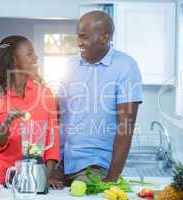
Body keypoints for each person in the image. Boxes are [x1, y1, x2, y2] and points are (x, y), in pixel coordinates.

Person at [57, 11, 142, 184]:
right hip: (60, 164)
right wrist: (52, 165)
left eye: (84, 37)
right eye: (78, 37)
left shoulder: (126, 66)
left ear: (104, 38)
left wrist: (111, 179)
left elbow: (125, 128)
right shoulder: (69, 65)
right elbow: (58, 116)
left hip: (93, 167)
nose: (79, 43)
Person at [0, 35, 62, 189]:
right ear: (14, 60)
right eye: (29, 53)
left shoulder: (45, 93)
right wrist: (8, 121)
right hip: (0, 181)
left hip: (35, 180)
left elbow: (53, 141)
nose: (36, 57)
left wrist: (46, 176)